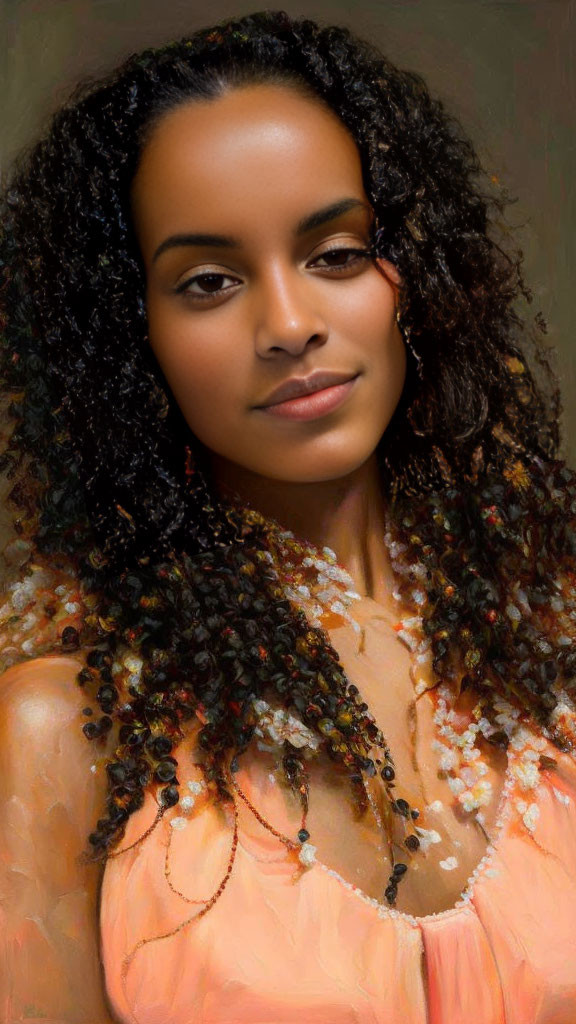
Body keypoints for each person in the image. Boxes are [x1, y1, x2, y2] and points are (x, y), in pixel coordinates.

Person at [1, 8, 575, 1023]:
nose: (290, 323)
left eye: (338, 254)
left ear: (417, 278)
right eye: (209, 281)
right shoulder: (65, 731)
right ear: (133, 339)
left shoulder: (552, 631)